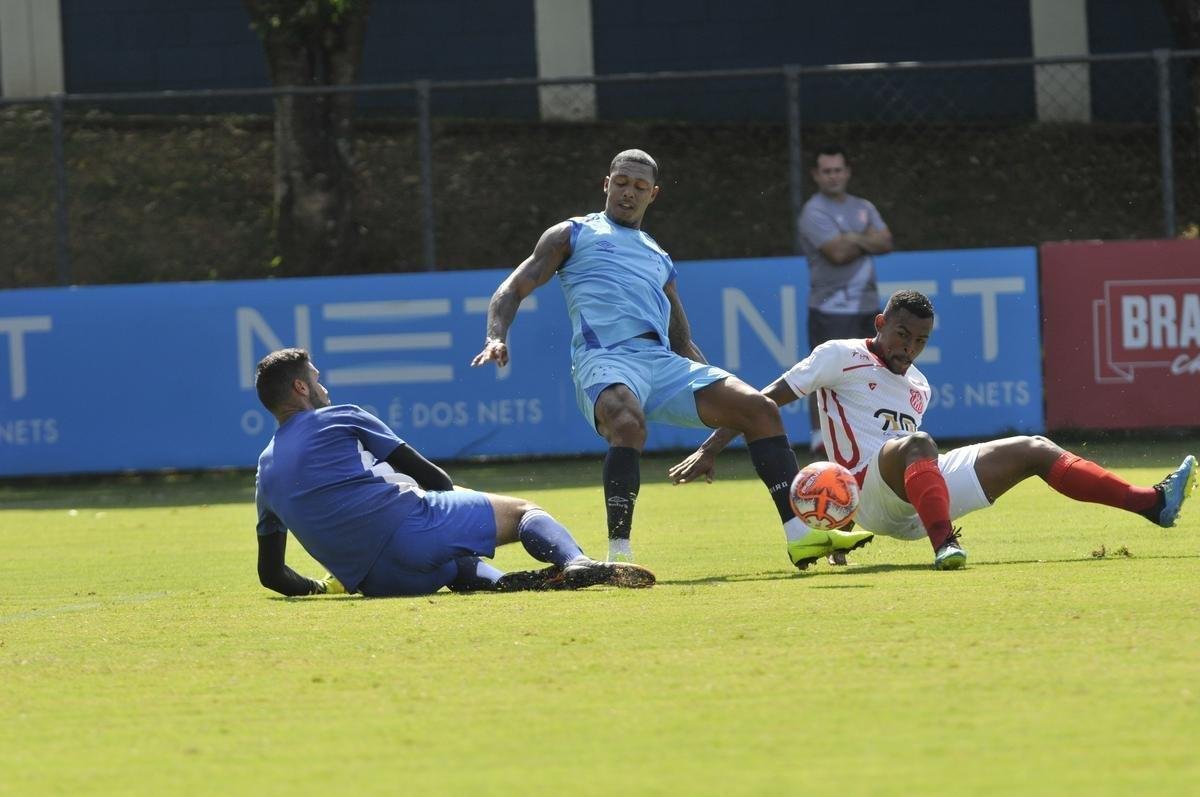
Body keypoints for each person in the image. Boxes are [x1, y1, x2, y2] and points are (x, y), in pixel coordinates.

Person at [470, 149, 873, 570]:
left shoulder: (657, 255)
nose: (629, 193)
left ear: (653, 195)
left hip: (661, 362)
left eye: (639, 187)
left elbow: (682, 340)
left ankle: (800, 535)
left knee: (760, 408)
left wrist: (718, 423)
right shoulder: (572, 234)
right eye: (622, 183)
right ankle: (619, 556)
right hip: (605, 358)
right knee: (627, 422)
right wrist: (496, 336)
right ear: (606, 183)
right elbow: (514, 287)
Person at [668, 290, 1197, 570]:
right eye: (901, 334)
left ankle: (1150, 504)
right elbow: (761, 404)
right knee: (919, 443)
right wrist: (713, 447)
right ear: (880, 324)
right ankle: (946, 547)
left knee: (1035, 447)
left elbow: (912, 459)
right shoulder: (838, 356)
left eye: (919, 341)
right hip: (862, 490)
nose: (908, 348)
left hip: (909, 491)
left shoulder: (919, 384)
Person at [253, 347, 656, 597]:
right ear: (301, 389)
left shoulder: (264, 469)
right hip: (411, 532)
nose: (326, 389)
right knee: (521, 512)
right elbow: (433, 480)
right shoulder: (342, 417)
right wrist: (459, 499)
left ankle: (500, 582)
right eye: (317, 381)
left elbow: (270, 574)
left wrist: (316, 587)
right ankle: (576, 563)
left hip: (379, 583)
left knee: (452, 561)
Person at [799, 145, 893, 462]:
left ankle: (870, 435)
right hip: (830, 308)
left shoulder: (862, 206)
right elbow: (835, 253)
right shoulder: (813, 211)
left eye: (838, 170)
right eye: (827, 171)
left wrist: (849, 237)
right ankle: (818, 441)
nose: (833, 176)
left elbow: (886, 242)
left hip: (867, 305)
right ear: (816, 175)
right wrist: (864, 238)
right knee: (825, 372)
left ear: (847, 172)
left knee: (872, 371)